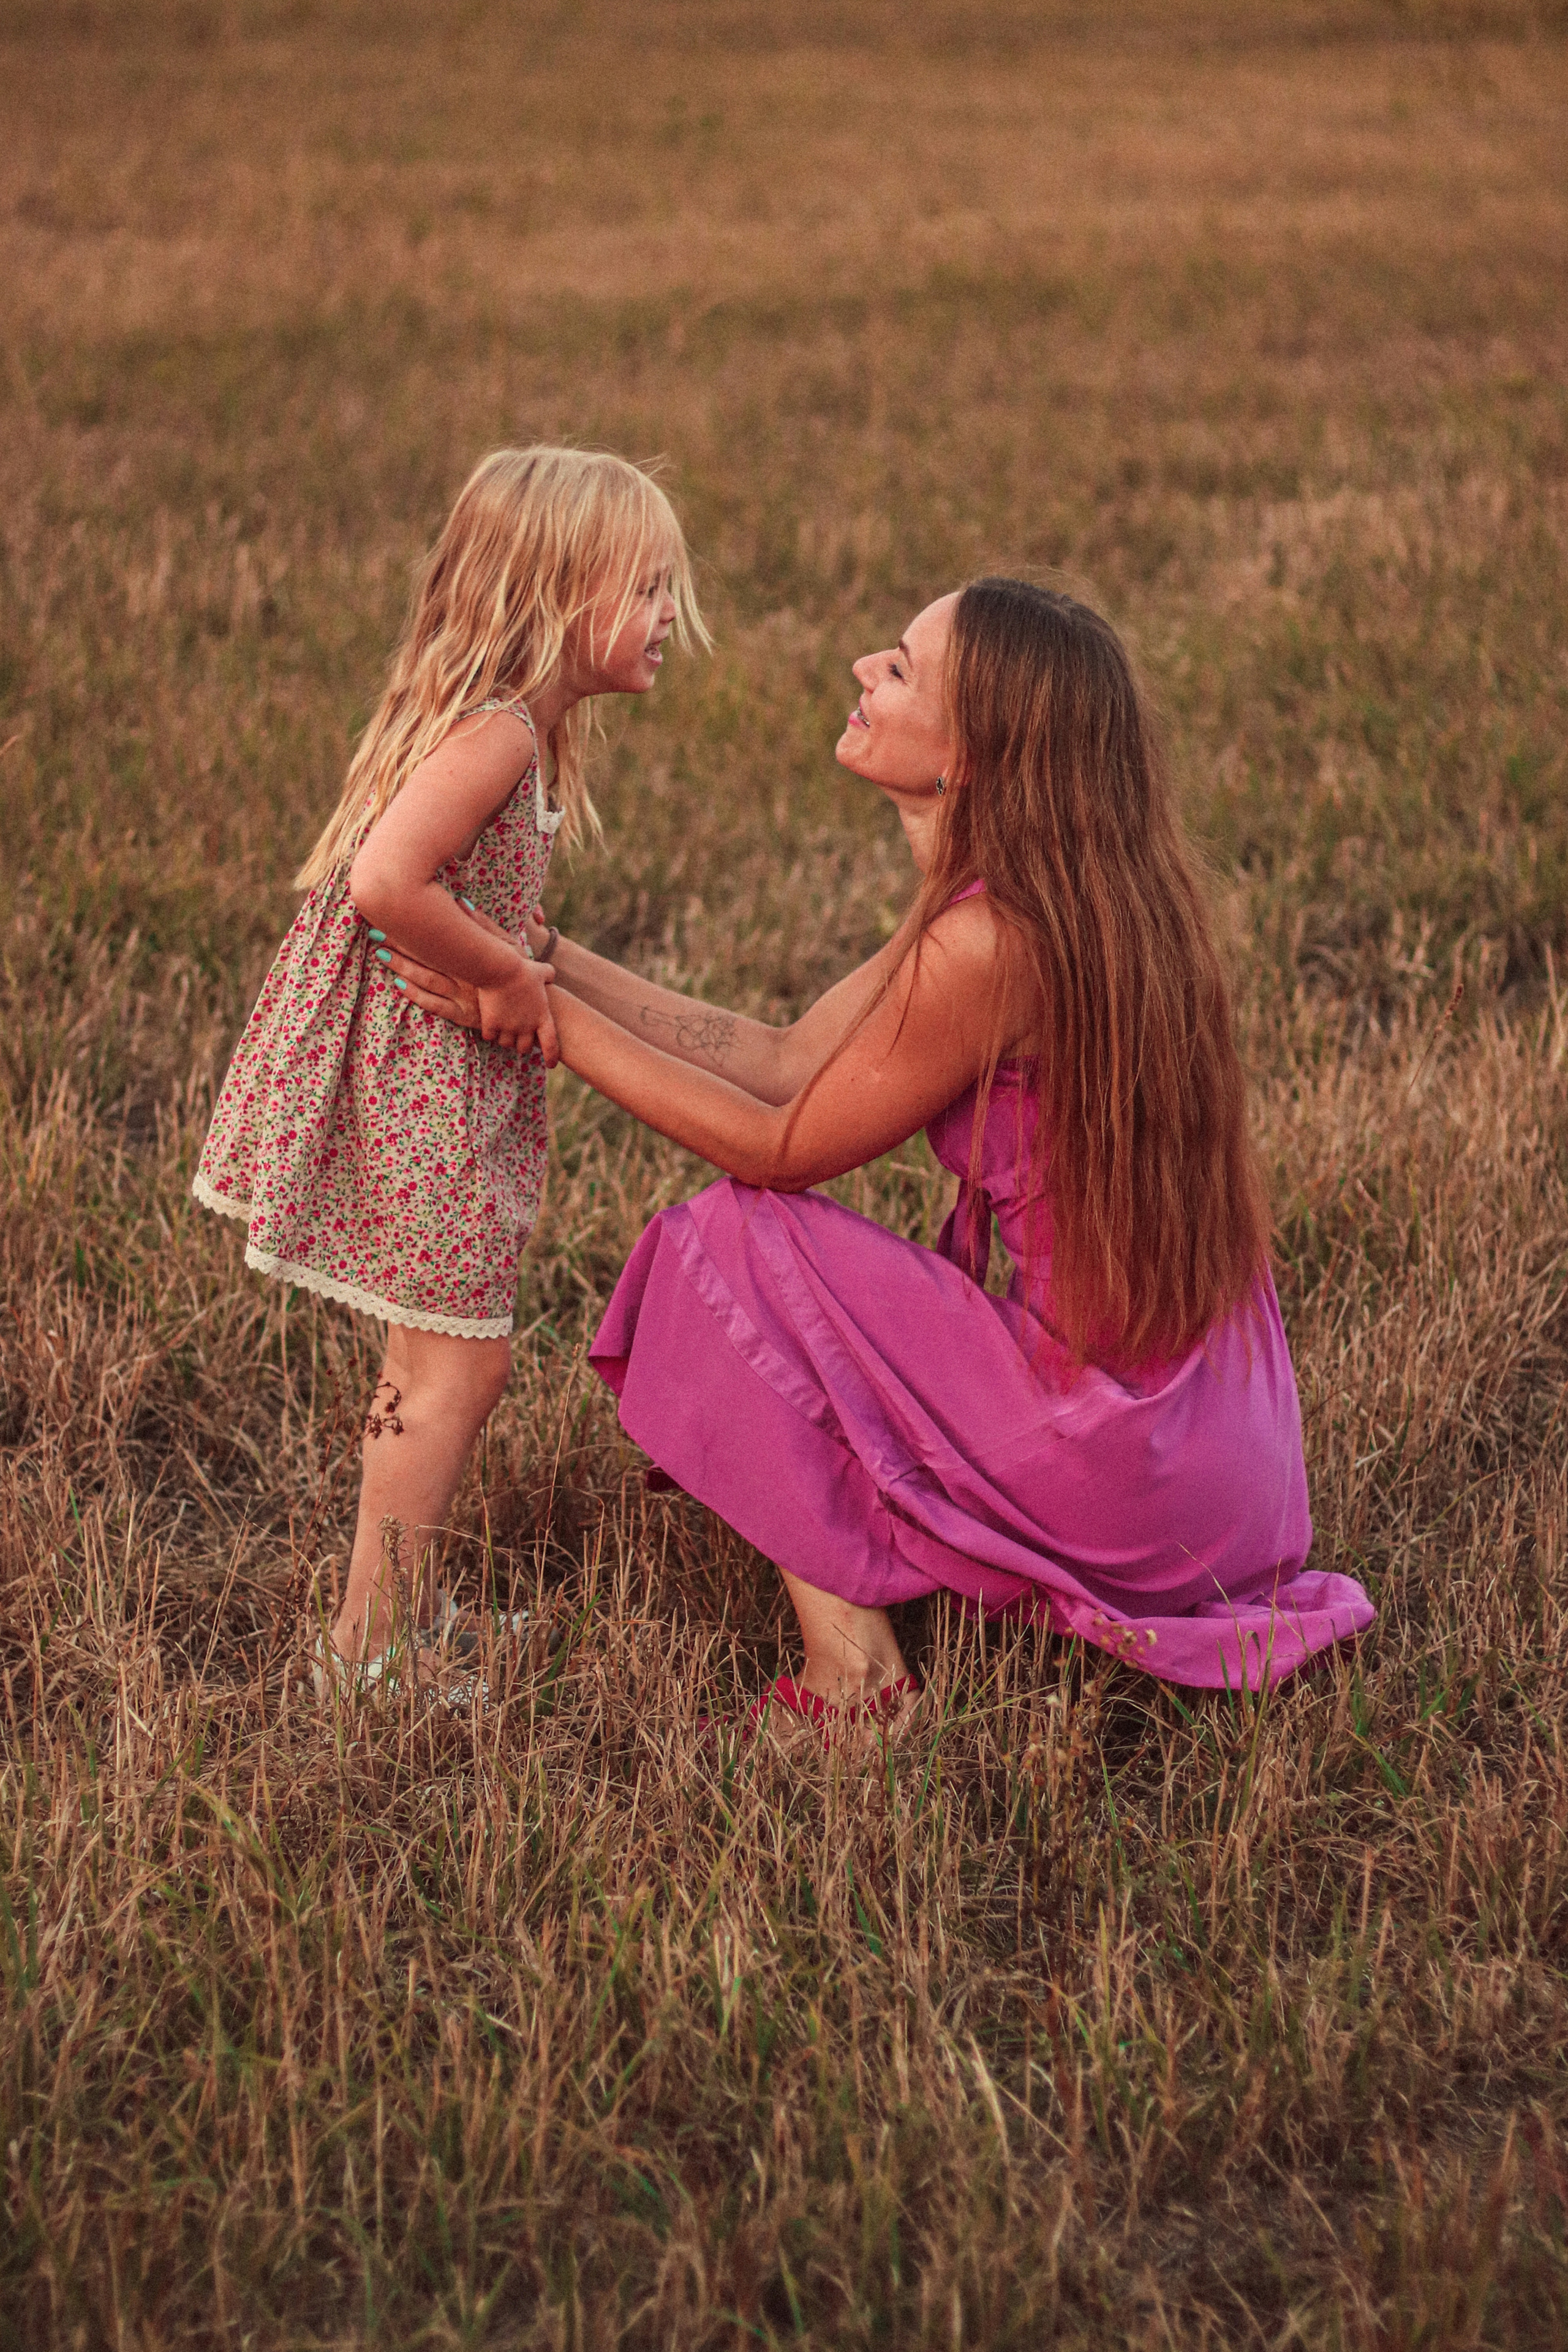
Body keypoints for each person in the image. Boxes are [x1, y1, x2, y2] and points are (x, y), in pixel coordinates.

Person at [385, 578, 1373, 1724]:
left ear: (977, 753)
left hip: (1129, 1454)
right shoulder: (1062, 893)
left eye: (901, 669)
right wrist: (543, 957)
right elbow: (781, 1056)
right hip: (1227, 1459)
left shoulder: (992, 940)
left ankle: (859, 1685)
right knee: (776, 1250)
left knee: (734, 1241)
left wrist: (542, 1021)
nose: (864, 668)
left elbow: (777, 1146)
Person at [192, 446, 706, 1683]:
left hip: (433, 1086)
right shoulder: (497, 742)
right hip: (425, 1093)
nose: (663, 624)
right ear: (551, 593)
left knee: (432, 1359)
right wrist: (506, 981)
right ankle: (369, 1651)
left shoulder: (506, 731)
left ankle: (378, 1629)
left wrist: (510, 953)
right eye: (641, 593)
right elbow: (382, 883)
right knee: (459, 1363)